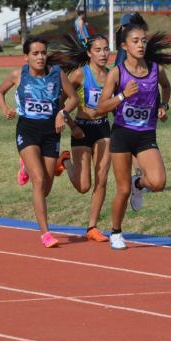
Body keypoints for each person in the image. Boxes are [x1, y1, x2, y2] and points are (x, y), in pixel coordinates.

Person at [96, 25, 171, 250]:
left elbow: (166, 86)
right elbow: (101, 107)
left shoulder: (156, 70)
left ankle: (138, 183)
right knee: (122, 190)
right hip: (122, 134)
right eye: (135, 41)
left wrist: (163, 105)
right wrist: (123, 95)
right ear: (124, 46)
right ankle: (116, 231)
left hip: (145, 135)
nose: (140, 45)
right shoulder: (117, 73)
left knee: (159, 183)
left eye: (143, 41)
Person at [0, 37, 80, 248]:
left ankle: (27, 165)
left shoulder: (56, 74)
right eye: (35, 54)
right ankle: (45, 233)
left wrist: (62, 113)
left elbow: (73, 98)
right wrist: (5, 109)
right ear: (26, 57)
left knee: (46, 188)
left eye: (43, 53)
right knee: (39, 180)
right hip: (28, 130)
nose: (40, 57)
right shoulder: (18, 75)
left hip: (51, 132)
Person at [50, 33, 114, 242]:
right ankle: (65, 161)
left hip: (103, 129)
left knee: (102, 179)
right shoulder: (79, 75)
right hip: (81, 130)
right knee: (83, 186)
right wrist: (72, 125)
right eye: (98, 50)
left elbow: (115, 106)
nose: (103, 54)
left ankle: (92, 227)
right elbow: (61, 105)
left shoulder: (113, 76)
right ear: (89, 53)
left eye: (106, 49)